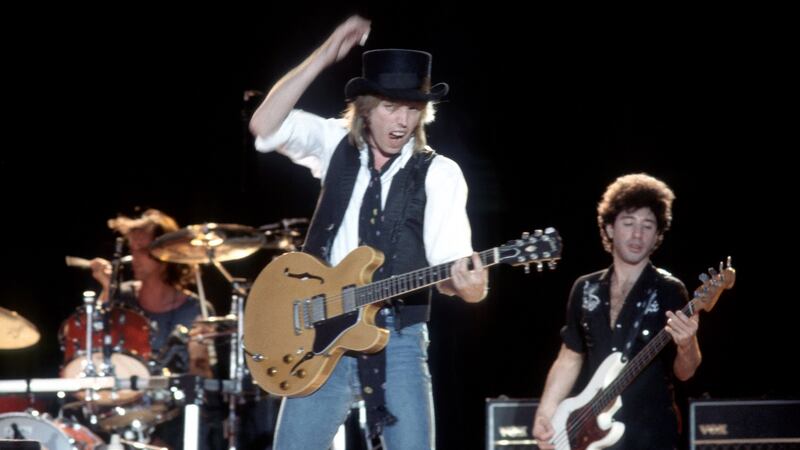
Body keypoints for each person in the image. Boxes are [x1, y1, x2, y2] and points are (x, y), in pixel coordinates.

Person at [249, 15, 488, 450]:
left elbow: (451, 268)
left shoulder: (440, 173)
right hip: (318, 330)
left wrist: (469, 287)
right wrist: (325, 55)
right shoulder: (335, 143)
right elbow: (264, 124)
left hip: (398, 337)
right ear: (365, 107)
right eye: (391, 107)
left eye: (412, 109)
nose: (402, 121)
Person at [532, 173, 702, 450]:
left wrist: (687, 344)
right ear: (610, 228)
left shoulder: (670, 290)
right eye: (628, 223)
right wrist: (546, 412)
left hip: (650, 434)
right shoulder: (585, 288)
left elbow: (685, 372)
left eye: (648, 226)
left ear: (658, 235)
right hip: (590, 433)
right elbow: (570, 357)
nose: (637, 235)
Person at [89, 208, 221, 449]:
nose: (134, 257)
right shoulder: (122, 297)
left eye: (142, 249)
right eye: (132, 250)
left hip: (176, 417)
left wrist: (198, 354)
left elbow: (202, 378)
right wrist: (108, 289)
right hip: (122, 409)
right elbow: (92, 344)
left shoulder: (195, 309)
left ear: (166, 253)